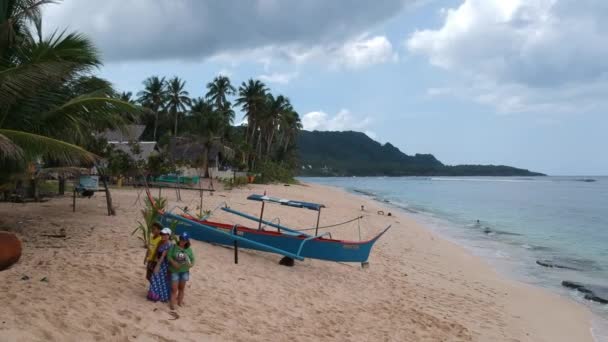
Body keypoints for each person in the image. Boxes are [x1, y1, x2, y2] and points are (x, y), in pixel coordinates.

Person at [168, 232, 195, 310]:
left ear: (187, 241)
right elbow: (169, 256)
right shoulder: (173, 247)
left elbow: (193, 260)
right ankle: (172, 305)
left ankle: (179, 303)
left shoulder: (189, 250)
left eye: (184, 240)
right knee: (174, 288)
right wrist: (174, 263)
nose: (182, 241)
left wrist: (190, 264)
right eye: (181, 239)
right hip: (174, 270)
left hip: (184, 271)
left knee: (181, 288)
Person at [147, 228, 173, 302]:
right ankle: (154, 295)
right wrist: (152, 261)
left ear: (169, 235)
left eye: (165, 234)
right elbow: (156, 253)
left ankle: (159, 296)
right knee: (156, 279)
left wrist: (158, 266)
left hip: (165, 266)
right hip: (159, 263)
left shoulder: (170, 245)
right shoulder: (161, 242)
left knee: (158, 279)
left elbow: (165, 256)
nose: (163, 236)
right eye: (162, 234)